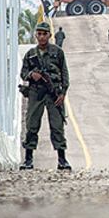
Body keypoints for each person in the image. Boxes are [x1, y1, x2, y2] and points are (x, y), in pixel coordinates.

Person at [19, 22, 71, 170]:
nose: (42, 37)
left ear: (49, 35)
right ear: (36, 35)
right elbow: (23, 73)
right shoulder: (30, 54)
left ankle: (62, 159)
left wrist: (63, 93)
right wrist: (32, 75)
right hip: (36, 93)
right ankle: (28, 159)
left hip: (53, 94)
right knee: (32, 125)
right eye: (39, 34)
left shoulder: (58, 52)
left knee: (57, 126)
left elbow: (64, 74)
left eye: (45, 34)